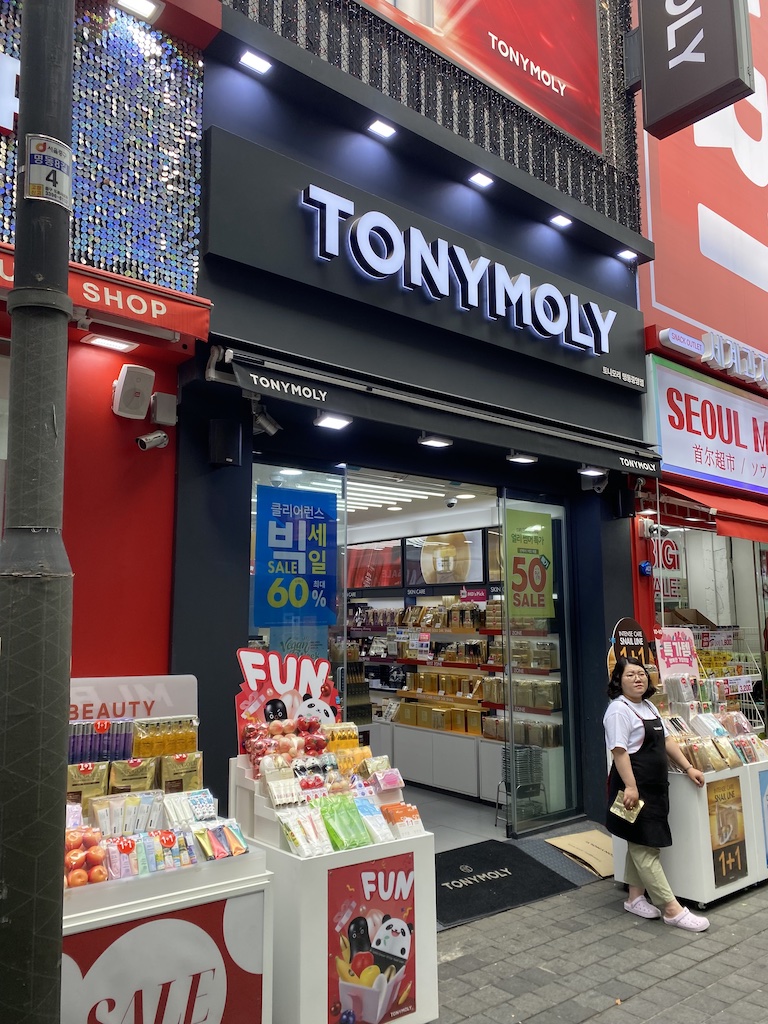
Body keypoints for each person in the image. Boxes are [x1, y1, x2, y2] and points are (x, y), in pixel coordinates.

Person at [604, 656, 710, 931]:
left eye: (641, 673)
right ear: (618, 680)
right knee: (644, 846)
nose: (638, 678)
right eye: (630, 675)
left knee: (641, 840)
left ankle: (635, 897)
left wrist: (688, 767)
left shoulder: (648, 706)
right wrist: (629, 786)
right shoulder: (618, 710)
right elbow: (619, 751)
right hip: (633, 788)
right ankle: (671, 909)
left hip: (654, 787)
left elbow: (666, 740)